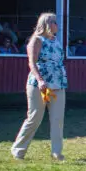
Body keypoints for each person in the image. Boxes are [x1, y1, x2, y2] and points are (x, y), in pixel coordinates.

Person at [11, 13, 67, 161]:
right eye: (55, 22)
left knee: (57, 119)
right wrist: (40, 80)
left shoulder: (56, 41)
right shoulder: (37, 40)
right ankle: (18, 149)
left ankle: (57, 152)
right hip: (39, 85)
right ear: (48, 24)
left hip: (58, 84)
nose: (58, 25)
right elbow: (32, 63)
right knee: (35, 117)